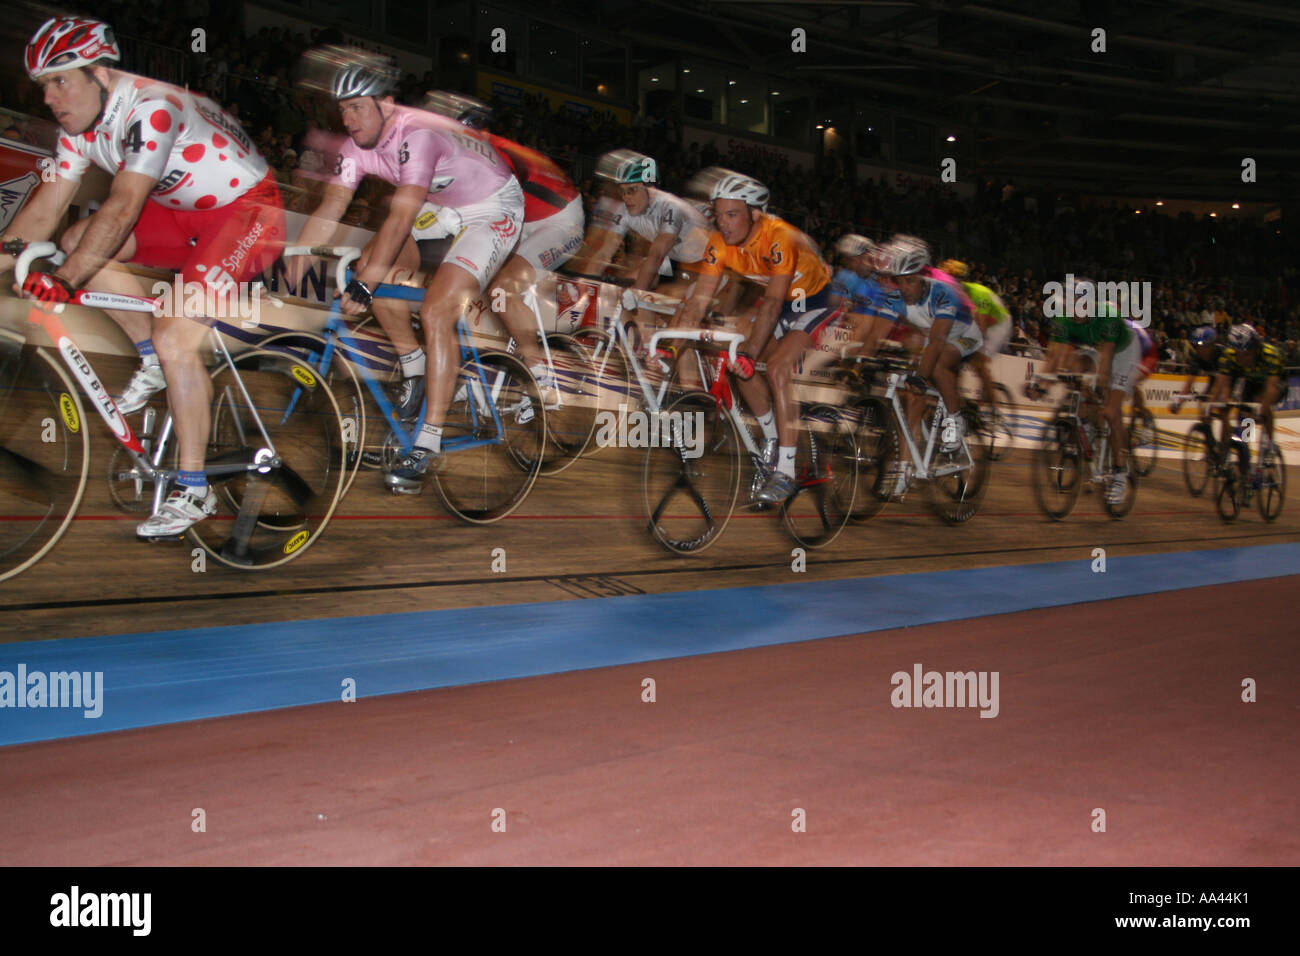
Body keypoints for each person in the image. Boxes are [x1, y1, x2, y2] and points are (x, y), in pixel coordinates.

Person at [2, 16, 285, 537]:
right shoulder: (79, 130)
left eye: (60, 79)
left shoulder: (151, 107)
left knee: (176, 331)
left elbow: (124, 206)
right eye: (43, 84)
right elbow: (45, 213)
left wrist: (63, 281)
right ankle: (151, 360)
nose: (49, 97)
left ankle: (194, 489)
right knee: (72, 241)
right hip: (177, 210)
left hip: (246, 212)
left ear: (101, 74)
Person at [289, 58, 524, 492]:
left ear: (387, 104)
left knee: (435, 309)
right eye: (343, 109)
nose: (349, 118)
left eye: (358, 107)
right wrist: (292, 265)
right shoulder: (352, 148)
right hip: (442, 200)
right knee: (373, 273)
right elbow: (330, 208)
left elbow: (402, 216)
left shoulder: (416, 135)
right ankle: (415, 366)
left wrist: (366, 282)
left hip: (491, 208)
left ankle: (427, 442)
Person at [675, 169, 839, 503]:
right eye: (719, 214)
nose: (724, 223)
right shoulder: (719, 242)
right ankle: (773, 440)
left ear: (755, 214)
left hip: (816, 301)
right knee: (737, 359)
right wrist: (669, 348)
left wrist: (751, 352)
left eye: (732, 214)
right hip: (778, 302)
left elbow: (775, 303)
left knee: (776, 368)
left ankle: (787, 472)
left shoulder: (781, 236)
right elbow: (698, 300)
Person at [419, 91, 584, 405]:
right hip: (522, 213)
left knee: (501, 289)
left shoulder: (495, 155)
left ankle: (541, 376)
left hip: (560, 220)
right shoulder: (469, 150)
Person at [569, 149, 711, 305]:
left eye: (632, 190)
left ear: (649, 188)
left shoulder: (671, 207)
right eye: (622, 191)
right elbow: (605, 252)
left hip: (705, 262)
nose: (626, 197)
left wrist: (636, 293)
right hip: (674, 258)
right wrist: (583, 282)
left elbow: (656, 256)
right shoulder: (624, 208)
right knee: (627, 287)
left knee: (652, 295)